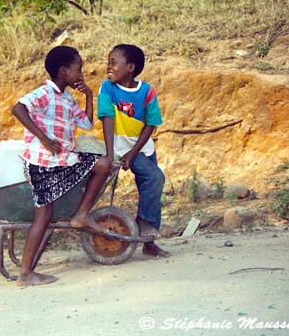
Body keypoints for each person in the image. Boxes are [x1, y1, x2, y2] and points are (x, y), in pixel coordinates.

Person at [11, 46, 112, 287]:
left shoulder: (66, 97)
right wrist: (44, 138)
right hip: (41, 163)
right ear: (64, 71)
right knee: (44, 215)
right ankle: (25, 273)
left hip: (61, 161)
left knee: (103, 164)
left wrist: (88, 95)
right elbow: (18, 108)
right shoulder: (45, 93)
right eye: (79, 69)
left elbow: (86, 124)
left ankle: (81, 215)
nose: (82, 73)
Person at [97, 44, 170, 258]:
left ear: (130, 67)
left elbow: (151, 124)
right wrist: (112, 155)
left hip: (141, 148)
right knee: (155, 178)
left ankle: (148, 240)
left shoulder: (147, 91)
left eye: (113, 63)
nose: (108, 67)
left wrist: (132, 153)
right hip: (117, 146)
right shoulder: (107, 88)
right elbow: (107, 119)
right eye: (108, 62)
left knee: (153, 184)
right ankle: (143, 225)